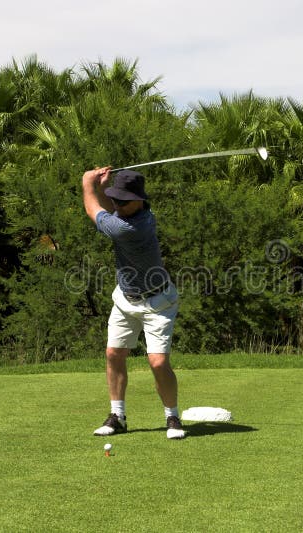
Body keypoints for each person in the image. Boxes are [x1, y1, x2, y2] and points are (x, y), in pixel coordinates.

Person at [81, 167, 185, 439]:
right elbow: (110, 210)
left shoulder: (132, 227)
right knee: (114, 354)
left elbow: (95, 210)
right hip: (125, 299)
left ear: (139, 200)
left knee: (158, 362)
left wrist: (88, 183)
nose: (118, 205)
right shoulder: (131, 212)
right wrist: (107, 189)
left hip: (158, 302)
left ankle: (172, 417)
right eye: (116, 199)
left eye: (123, 201)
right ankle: (118, 416)